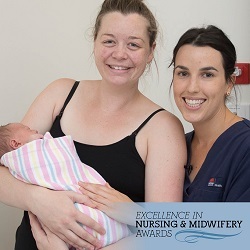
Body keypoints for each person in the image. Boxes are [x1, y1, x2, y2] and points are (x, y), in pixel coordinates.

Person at [0, 0, 186, 249]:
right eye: (109, 41)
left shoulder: (163, 128)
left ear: (151, 51)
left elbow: (165, 232)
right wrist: (39, 200)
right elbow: (7, 165)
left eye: (133, 44)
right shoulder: (60, 94)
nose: (119, 54)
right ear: (95, 41)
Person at [0, 123, 131, 248]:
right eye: (27, 128)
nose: (34, 130)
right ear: (15, 143)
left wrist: (136, 213)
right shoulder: (54, 101)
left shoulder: (151, 128)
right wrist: (36, 198)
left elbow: (152, 229)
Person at [169, 25, 250, 202]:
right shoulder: (176, 146)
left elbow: (235, 227)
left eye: (207, 75)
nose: (192, 87)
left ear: (229, 83)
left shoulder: (245, 146)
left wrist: (141, 216)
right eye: (183, 73)